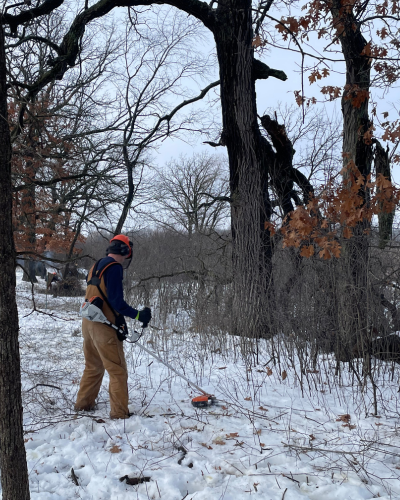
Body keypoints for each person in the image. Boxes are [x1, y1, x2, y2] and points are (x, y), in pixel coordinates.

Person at [74, 234, 151, 419]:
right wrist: (139, 315)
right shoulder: (115, 268)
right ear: (125, 251)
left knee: (92, 367)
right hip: (103, 327)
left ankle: (83, 405)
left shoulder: (95, 266)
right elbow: (117, 302)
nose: (126, 259)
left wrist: (121, 322)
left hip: (88, 323)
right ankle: (119, 414)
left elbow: (102, 298)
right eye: (127, 254)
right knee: (117, 371)